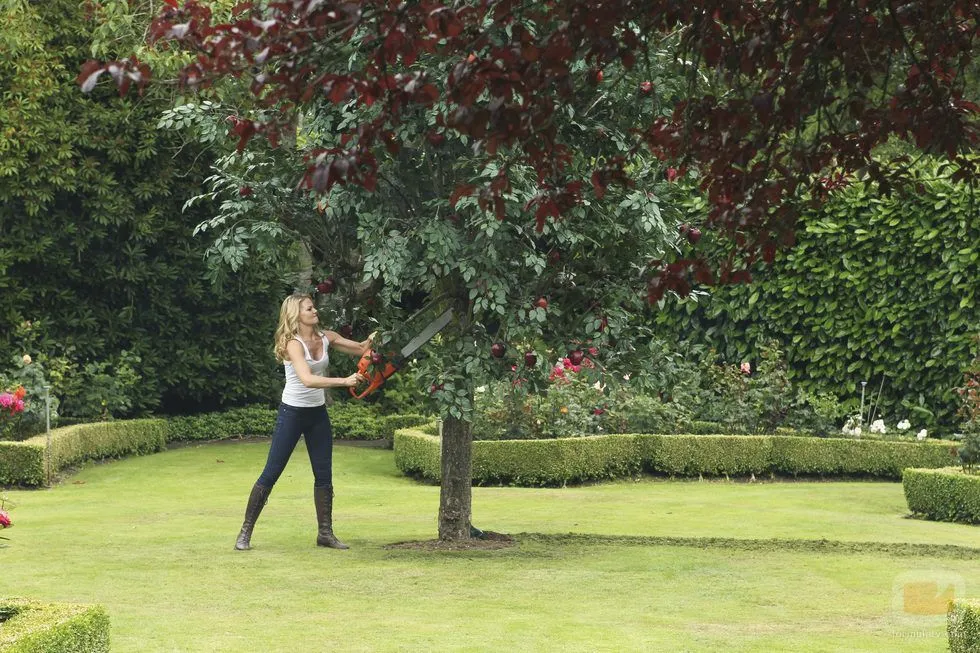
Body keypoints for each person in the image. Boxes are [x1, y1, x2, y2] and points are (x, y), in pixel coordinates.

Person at [235, 292, 371, 551]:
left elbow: (362, 348)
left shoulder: (326, 337)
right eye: (309, 308)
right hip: (292, 414)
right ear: (296, 315)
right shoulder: (292, 344)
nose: (315, 311)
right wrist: (344, 381)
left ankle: (325, 534)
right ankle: (244, 533)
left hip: (317, 414)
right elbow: (307, 379)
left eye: (314, 307)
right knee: (271, 473)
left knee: (324, 475)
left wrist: (376, 339)